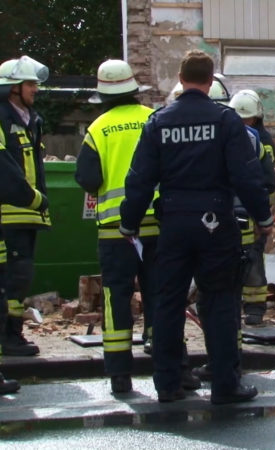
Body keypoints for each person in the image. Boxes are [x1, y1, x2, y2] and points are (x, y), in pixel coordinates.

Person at [120, 50, 273, 404]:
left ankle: (168, 384)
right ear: (210, 81)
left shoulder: (159, 121)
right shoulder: (226, 121)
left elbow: (140, 179)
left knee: (168, 303)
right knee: (219, 302)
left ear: (180, 76)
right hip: (216, 222)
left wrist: (129, 223)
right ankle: (224, 384)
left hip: (172, 222)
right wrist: (263, 218)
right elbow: (247, 177)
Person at [75, 59, 200, 394]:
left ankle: (119, 375)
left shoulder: (97, 129)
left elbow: (88, 179)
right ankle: (176, 370)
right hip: (160, 225)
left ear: (102, 95)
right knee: (164, 297)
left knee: (117, 298)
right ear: (134, 90)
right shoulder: (153, 118)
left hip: (115, 231)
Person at [0, 74, 49, 392]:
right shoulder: (3, 119)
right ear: (12, 88)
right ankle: (10, 336)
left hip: (28, 214)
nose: (35, 90)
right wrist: (34, 198)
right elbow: (6, 169)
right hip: (10, 213)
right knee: (12, 279)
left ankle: (12, 334)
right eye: (30, 85)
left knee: (19, 278)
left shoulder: (31, 120)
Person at [228, 89, 275, 326]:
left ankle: (255, 307)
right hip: (239, 208)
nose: (243, 123)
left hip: (251, 209)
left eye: (246, 119)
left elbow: (266, 181)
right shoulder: (257, 138)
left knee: (254, 257)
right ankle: (238, 305)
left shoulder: (259, 141)